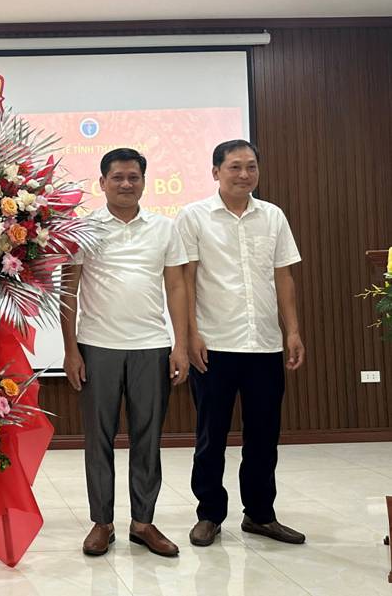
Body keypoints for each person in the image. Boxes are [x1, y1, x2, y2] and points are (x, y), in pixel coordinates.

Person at [60, 148, 190, 558]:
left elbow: (177, 288)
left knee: (147, 439)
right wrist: (70, 351)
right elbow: (68, 290)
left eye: (133, 177)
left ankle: (143, 523)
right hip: (98, 346)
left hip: (151, 346)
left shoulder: (164, 229)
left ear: (144, 182)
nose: (126, 184)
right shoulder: (84, 229)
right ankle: (102, 523)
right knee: (97, 439)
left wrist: (181, 345)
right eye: (117, 177)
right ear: (102, 183)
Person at [176, 139, 306, 547]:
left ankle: (260, 514)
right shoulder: (193, 216)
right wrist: (192, 333)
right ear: (216, 171)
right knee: (211, 436)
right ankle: (210, 514)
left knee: (264, 435)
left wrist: (293, 330)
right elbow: (187, 279)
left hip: (264, 344)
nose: (244, 174)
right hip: (213, 344)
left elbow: (283, 277)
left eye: (251, 166)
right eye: (235, 167)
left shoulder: (273, 216)